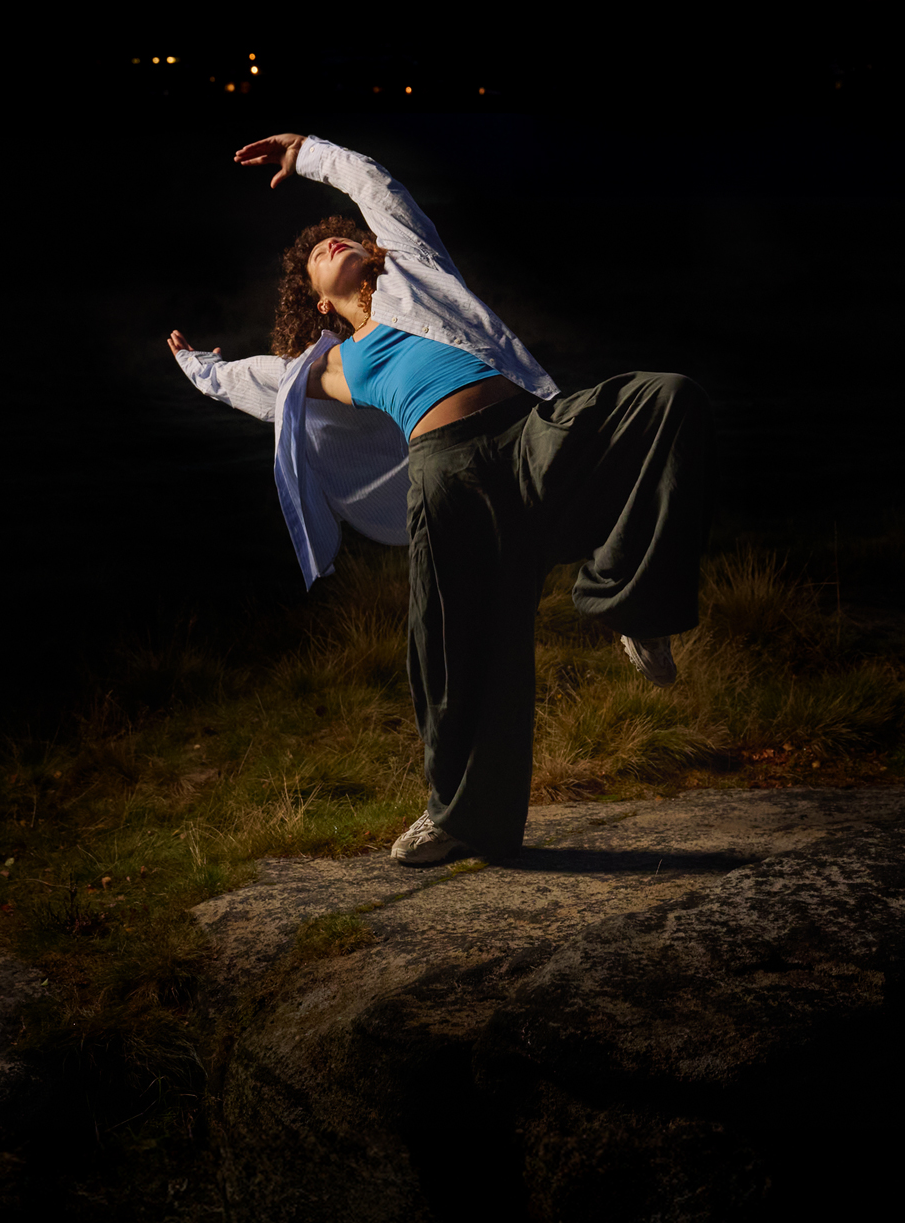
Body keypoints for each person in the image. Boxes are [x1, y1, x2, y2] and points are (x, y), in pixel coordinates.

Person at [166, 133, 711, 865]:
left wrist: (308, 153)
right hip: (446, 479)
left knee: (668, 399)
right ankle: (463, 820)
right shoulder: (330, 367)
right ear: (319, 302)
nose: (330, 243)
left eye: (340, 238)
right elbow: (259, 385)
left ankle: (631, 607)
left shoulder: (414, 271)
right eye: (317, 254)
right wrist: (201, 369)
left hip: (529, 434)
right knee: (450, 650)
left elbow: (375, 185)